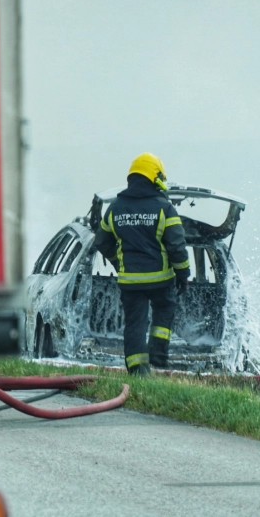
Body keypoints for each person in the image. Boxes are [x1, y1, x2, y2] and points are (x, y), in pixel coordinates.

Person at [94, 153, 191, 376]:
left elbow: (101, 241)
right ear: (155, 177)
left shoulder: (115, 208)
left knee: (134, 324)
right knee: (164, 309)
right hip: (160, 279)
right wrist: (183, 274)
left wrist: (118, 262)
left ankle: (138, 371)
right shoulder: (164, 208)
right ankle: (158, 355)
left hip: (130, 281)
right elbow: (176, 245)